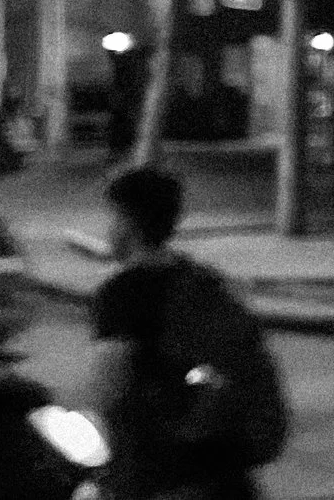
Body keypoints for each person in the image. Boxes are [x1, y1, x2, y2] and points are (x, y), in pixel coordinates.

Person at [90, 166, 289, 500]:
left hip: (161, 476)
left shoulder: (121, 294)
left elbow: (106, 388)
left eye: (113, 217)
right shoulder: (205, 282)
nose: (109, 228)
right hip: (226, 475)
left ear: (128, 223)